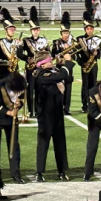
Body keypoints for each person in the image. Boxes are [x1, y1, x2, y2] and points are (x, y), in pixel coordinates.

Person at [32, 51, 74, 182]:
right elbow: (60, 77)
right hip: (45, 113)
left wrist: (62, 69)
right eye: (49, 60)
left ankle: (62, 171)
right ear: (43, 63)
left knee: (60, 142)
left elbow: (68, 79)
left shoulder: (53, 71)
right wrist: (67, 63)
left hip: (57, 112)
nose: (52, 61)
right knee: (43, 142)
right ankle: (39, 172)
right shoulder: (39, 73)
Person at [0, 72, 27, 184]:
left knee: (14, 146)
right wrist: (9, 112)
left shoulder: (20, 86)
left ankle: (16, 174)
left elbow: (22, 100)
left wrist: (18, 106)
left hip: (12, 120)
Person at [20, 6, 49, 118]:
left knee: (40, 90)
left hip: (41, 68)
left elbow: (48, 53)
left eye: (37, 29)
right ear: (31, 30)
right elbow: (19, 54)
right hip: (31, 68)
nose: (36, 31)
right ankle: (31, 110)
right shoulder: (26, 41)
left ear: (39, 30)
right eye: (33, 30)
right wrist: (27, 58)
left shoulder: (44, 40)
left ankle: (38, 110)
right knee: (30, 89)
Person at [76, 12, 101, 112]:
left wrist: (97, 53)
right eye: (88, 29)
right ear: (85, 30)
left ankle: (93, 103)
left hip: (94, 65)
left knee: (93, 84)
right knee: (85, 85)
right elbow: (76, 54)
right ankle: (84, 105)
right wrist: (81, 63)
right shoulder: (80, 39)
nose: (89, 30)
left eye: (91, 29)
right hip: (84, 65)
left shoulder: (97, 39)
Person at [51, 12, 75, 115]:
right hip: (59, 68)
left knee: (68, 88)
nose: (66, 35)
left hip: (69, 68)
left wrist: (70, 53)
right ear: (61, 34)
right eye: (64, 33)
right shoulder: (56, 42)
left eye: (67, 33)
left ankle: (67, 108)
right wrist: (62, 52)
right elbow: (53, 55)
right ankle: (59, 106)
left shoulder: (73, 42)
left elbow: (76, 56)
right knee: (60, 88)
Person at [0, 9, 24, 81]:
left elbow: (21, 56)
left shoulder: (17, 42)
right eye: (10, 29)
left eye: (13, 29)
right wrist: (5, 62)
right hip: (4, 72)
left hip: (15, 71)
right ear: (5, 31)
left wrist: (20, 46)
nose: (12, 31)